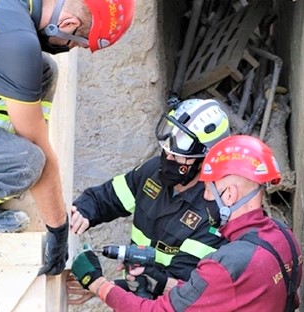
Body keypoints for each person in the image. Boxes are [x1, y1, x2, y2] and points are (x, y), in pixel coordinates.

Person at [0, 0, 134, 305]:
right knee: (27, 163)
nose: (69, 48)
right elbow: (40, 151)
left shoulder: (16, 12)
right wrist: (58, 229)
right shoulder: (16, 43)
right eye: (75, 44)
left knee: (43, 71)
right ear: (67, 26)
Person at [71, 135, 302, 311]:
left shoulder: (226, 263)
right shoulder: (285, 238)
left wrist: (96, 283)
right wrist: (158, 281)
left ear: (229, 195)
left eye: (210, 190)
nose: (205, 197)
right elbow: (211, 296)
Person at [66, 99, 232, 302]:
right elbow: (106, 198)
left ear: (205, 161)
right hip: (140, 296)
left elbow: (179, 290)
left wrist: (100, 285)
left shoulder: (213, 211)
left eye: (178, 156)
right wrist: (83, 211)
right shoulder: (153, 172)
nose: (167, 158)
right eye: (167, 150)